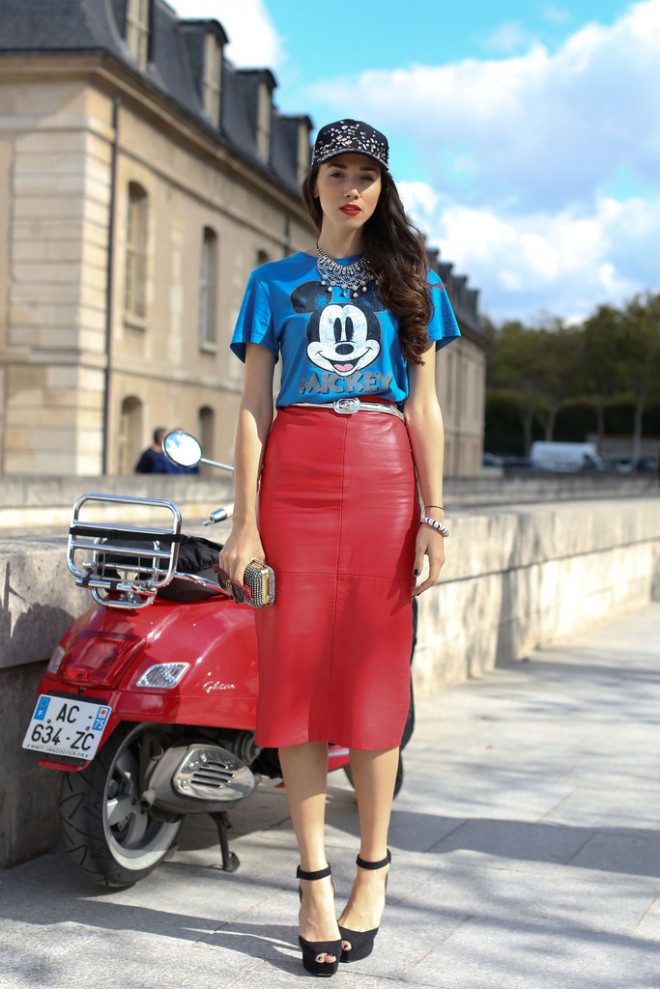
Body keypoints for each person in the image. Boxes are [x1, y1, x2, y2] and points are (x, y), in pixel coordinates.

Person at [219, 119, 460, 977]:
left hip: (386, 477)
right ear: (313, 184)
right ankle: (313, 879)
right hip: (297, 476)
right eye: (337, 173)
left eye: (367, 175)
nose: (351, 187)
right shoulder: (272, 284)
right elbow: (253, 408)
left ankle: (373, 869)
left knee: (373, 676)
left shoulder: (414, 286)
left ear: (383, 189)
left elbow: (424, 408)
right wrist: (242, 523)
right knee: (294, 674)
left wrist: (434, 513)